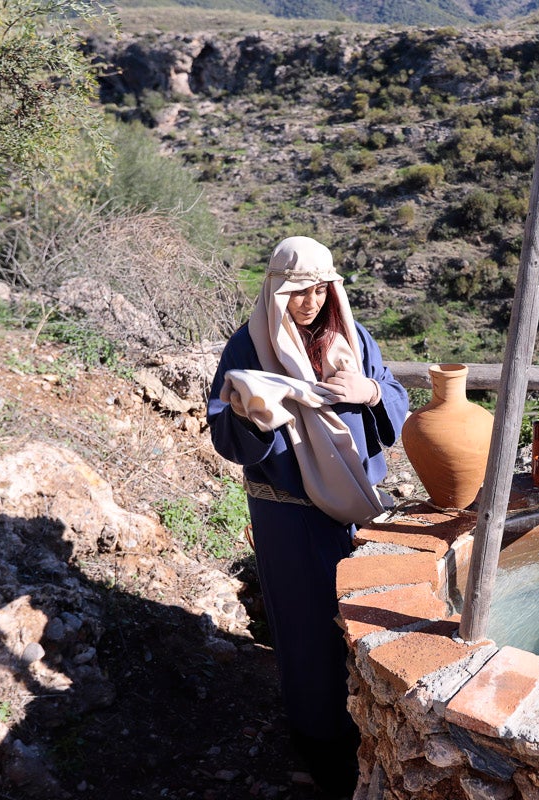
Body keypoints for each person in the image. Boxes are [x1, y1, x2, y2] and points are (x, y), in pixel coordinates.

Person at [208, 236, 408, 797]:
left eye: (322, 289)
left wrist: (368, 390)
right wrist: (253, 418)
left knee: (363, 623)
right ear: (276, 290)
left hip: (356, 512)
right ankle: (321, 746)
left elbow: (392, 391)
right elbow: (223, 423)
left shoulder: (352, 338)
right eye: (299, 290)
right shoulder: (248, 348)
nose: (312, 301)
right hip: (289, 520)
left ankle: (373, 732)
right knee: (305, 630)